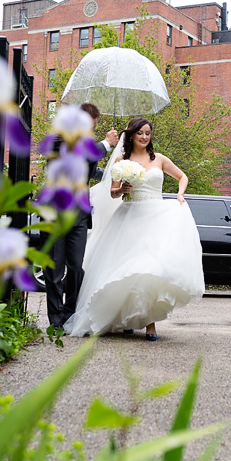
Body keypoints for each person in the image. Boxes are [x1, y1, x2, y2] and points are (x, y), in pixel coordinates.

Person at [64, 117, 205, 340]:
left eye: (148, 133)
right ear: (131, 135)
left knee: (151, 269)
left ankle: (150, 324)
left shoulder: (158, 159)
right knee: (127, 270)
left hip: (156, 217)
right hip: (129, 217)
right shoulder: (122, 160)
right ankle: (127, 319)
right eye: (140, 133)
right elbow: (112, 192)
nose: (144, 137)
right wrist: (122, 190)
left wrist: (180, 194)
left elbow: (182, 176)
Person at [43, 103, 118, 330]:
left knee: (76, 268)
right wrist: (105, 144)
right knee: (54, 270)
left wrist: (114, 175)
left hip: (80, 215)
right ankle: (55, 321)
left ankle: (70, 315)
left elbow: (89, 170)